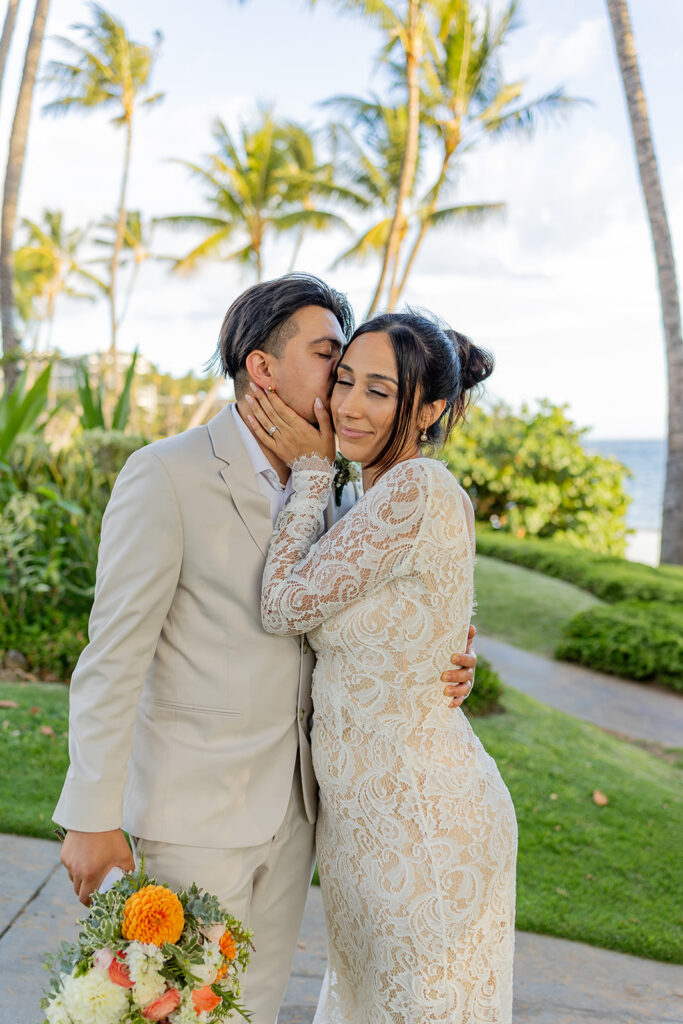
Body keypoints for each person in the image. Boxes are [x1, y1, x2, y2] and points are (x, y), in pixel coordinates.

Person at [54, 275, 478, 1024]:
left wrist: (437, 662)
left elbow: (372, 621)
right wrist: (90, 813)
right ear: (262, 368)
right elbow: (113, 655)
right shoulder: (168, 474)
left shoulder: (341, 493)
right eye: (329, 361)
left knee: (249, 1010)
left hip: (301, 812)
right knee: (173, 1011)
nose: (342, 386)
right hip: (195, 811)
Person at [249, 310, 517, 1024]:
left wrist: (309, 472)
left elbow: (282, 604)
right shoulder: (371, 498)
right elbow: (427, 612)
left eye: (378, 391)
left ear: (427, 409)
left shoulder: (415, 487)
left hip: (423, 823)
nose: (346, 406)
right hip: (364, 827)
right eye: (342, 381)